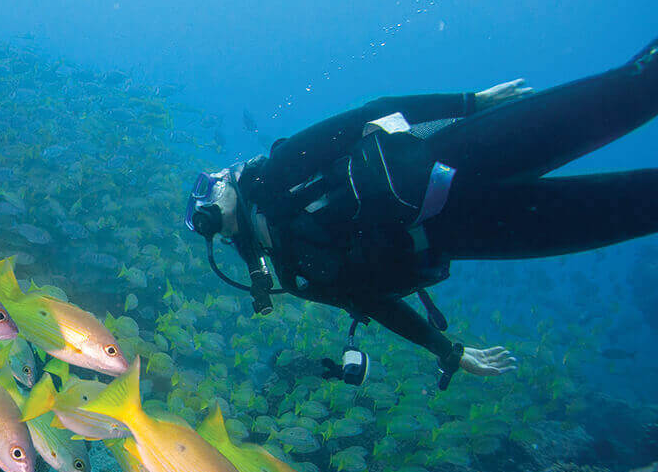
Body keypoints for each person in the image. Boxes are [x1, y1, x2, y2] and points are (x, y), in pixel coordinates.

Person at [187, 38, 658, 389]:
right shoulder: (288, 273)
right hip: (466, 232)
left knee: (625, 93)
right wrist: (448, 350)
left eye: (207, 185)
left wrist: (470, 103)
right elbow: (374, 302)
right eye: (202, 201)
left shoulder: (274, 174)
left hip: (452, 156)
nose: (210, 196)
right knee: (631, 209)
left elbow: (370, 114)